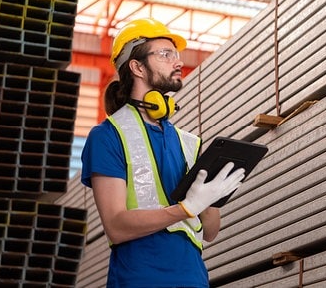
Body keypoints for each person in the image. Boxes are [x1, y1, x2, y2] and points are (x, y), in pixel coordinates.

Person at [80, 18, 245, 287]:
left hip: (195, 279)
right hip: (140, 280)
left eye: (177, 55)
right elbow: (116, 226)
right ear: (137, 67)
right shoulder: (108, 136)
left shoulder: (188, 142)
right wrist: (185, 208)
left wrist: (212, 198)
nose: (178, 63)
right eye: (166, 54)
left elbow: (210, 232)